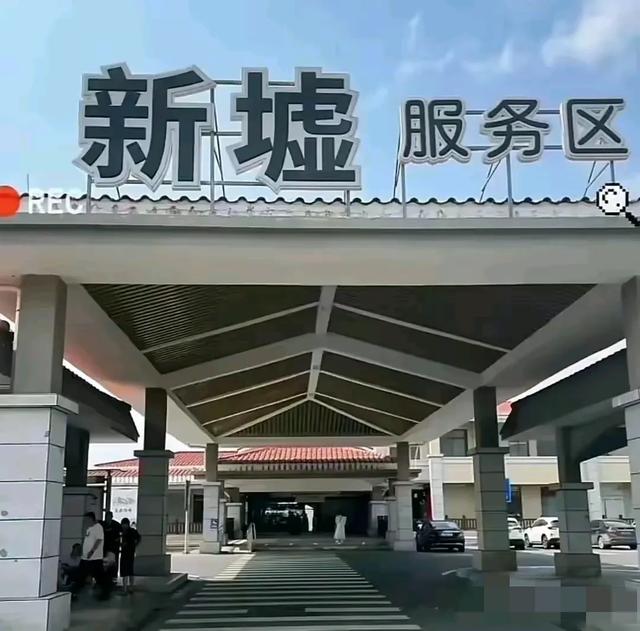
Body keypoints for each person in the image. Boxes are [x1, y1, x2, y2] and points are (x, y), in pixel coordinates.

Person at [73, 512, 110, 600]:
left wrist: (92, 551)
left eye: (86, 520)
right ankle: (74, 593)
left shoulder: (98, 527)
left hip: (95, 558)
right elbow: (85, 540)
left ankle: (106, 593)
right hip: (85, 558)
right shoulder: (88, 528)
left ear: (91, 519)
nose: (85, 521)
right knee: (81, 576)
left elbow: (99, 540)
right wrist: (81, 550)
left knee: (99, 577)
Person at [119, 518, 141, 595]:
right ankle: (130, 588)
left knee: (126, 571)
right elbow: (139, 538)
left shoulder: (130, 531)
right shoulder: (125, 532)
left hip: (127, 553)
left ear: (127, 524)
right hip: (127, 553)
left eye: (124, 524)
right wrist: (135, 545)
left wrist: (133, 545)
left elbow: (138, 538)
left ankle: (125, 589)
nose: (123, 526)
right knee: (129, 571)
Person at [100, 511, 122, 585]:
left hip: (113, 548)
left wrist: (118, 540)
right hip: (104, 547)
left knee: (113, 563)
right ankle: (103, 577)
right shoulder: (102, 524)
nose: (108, 518)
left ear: (112, 517)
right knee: (104, 562)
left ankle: (114, 577)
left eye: (109, 517)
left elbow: (121, 535)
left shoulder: (116, 525)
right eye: (107, 517)